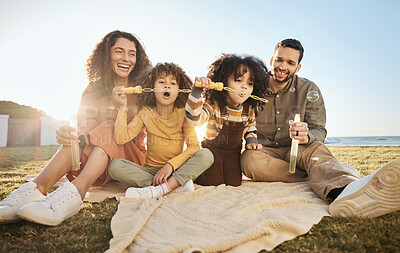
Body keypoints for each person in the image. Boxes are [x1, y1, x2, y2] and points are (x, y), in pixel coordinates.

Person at [0, 30, 152, 226]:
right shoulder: (92, 90)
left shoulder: (143, 90)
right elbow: (84, 128)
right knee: (80, 133)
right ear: (107, 55)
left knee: (108, 126)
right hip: (96, 160)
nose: (126, 58)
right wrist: (69, 134)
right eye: (119, 51)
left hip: (130, 159)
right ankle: (37, 188)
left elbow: (174, 106)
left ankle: (75, 193)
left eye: (132, 54)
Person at [241, 38, 400, 218]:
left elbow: (320, 129)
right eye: (279, 60)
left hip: (300, 148)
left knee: (316, 150)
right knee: (248, 160)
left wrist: (307, 136)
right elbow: (231, 102)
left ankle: (345, 192)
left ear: (297, 68)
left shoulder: (308, 88)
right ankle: (320, 174)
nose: (282, 66)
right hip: (264, 152)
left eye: (290, 62)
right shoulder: (252, 86)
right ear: (272, 60)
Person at [108, 62, 214, 199]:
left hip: (176, 169)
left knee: (206, 155)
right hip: (151, 172)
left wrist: (170, 165)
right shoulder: (145, 113)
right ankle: (173, 186)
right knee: (115, 166)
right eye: (161, 81)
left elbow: (194, 147)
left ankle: (161, 187)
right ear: (152, 87)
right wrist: (122, 107)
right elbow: (121, 138)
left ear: (179, 90)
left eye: (173, 83)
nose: (167, 86)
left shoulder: (183, 114)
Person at [186, 54, 269, 186]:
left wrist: (251, 140)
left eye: (250, 83)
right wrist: (197, 91)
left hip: (233, 154)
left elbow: (250, 128)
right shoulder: (214, 104)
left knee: (234, 182)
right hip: (212, 151)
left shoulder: (249, 109)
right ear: (224, 81)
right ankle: (193, 169)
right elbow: (194, 118)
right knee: (213, 181)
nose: (244, 87)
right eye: (238, 80)